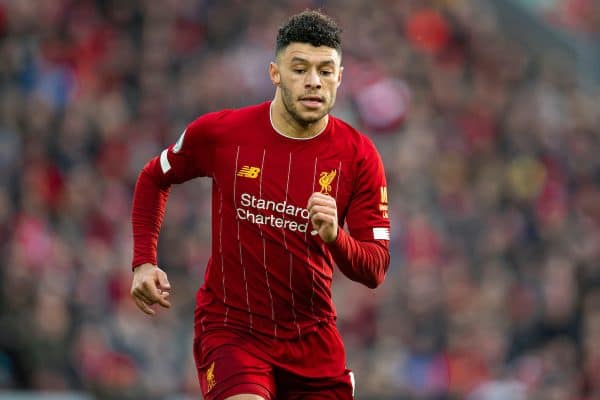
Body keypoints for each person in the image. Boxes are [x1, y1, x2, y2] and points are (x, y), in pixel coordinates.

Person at [130, 10, 391, 400]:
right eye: (300, 68)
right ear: (275, 73)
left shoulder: (359, 157)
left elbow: (375, 268)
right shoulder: (223, 133)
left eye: (325, 70)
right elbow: (154, 177)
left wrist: (336, 236)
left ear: (340, 77)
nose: (313, 82)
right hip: (234, 331)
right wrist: (144, 261)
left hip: (312, 340)